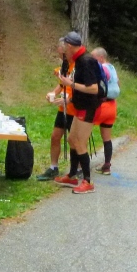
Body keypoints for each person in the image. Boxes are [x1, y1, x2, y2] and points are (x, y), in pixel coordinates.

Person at [54, 31, 101, 194]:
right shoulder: (79, 60)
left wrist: (71, 84)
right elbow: (81, 86)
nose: (63, 53)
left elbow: (94, 88)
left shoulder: (86, 61)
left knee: (79, 142)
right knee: (72, 139)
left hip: (89, 107)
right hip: (80, 104)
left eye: (64, 49)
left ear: (69, 46)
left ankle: (88, 181)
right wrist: (69, 99)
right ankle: (72, 176)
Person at [35, 39, 76, 181]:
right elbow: (61, 84)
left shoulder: (78, 65)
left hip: (75, 109)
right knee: (55, 136)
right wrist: (53, 93)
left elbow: (81, 88)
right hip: (63, 108)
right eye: (59, 54)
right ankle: (53, 167)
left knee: (74, 140)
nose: (61, 57)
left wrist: (69, 99)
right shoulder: (65, 65)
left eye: (62, 54)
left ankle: (77, 168)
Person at [91, 47, 117, 175]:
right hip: (112, 106)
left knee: (82, 134)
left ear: (101, 57)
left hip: (102, 106)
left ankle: (79, 166)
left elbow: (96, 85)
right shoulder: (112, 68)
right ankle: (107, 166)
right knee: (107, 138)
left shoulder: (102, 68)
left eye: (94, 58)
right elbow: (118, 84)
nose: (92, 60)